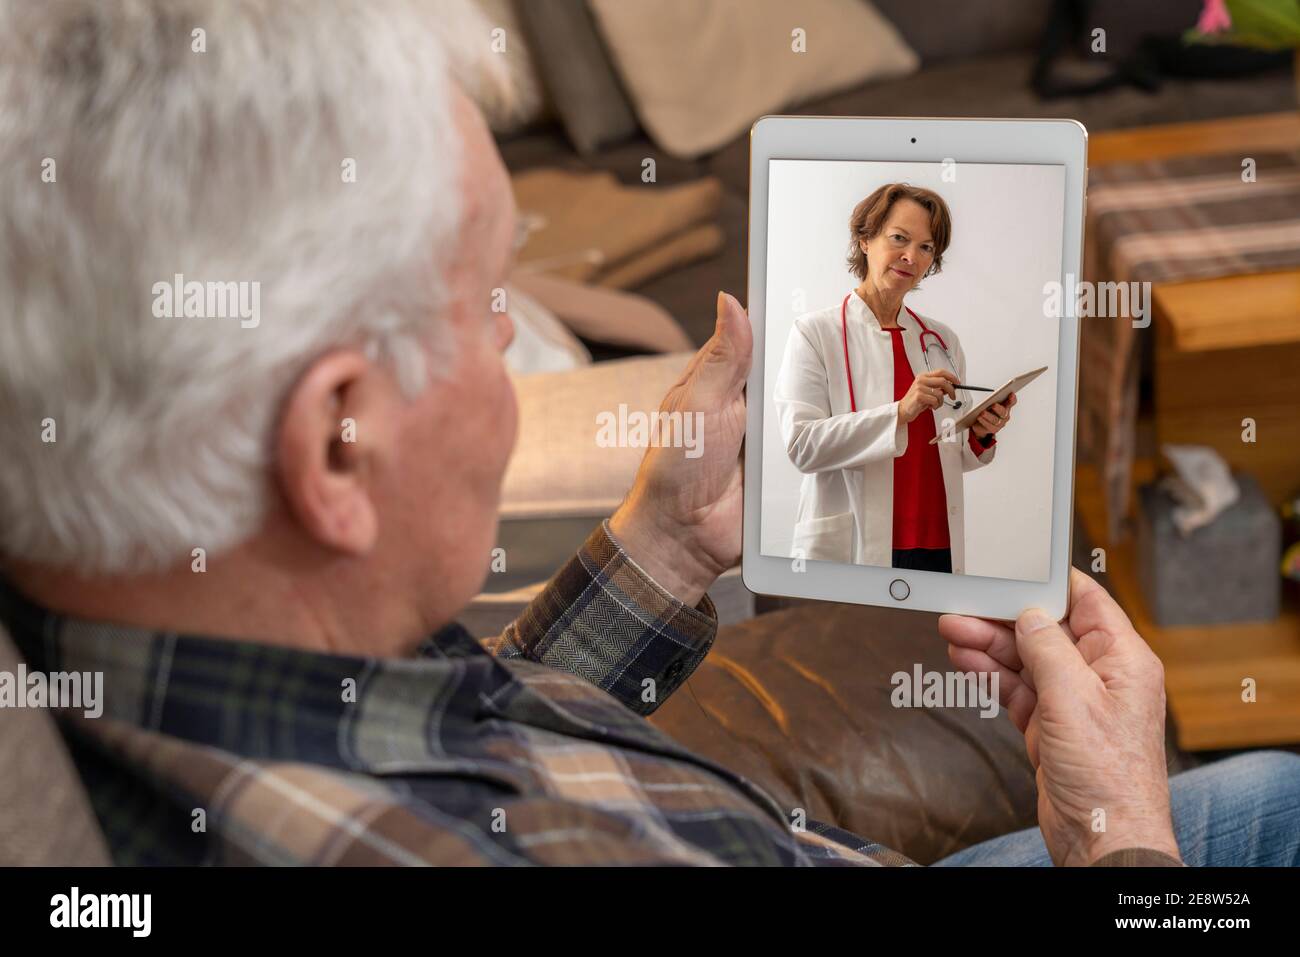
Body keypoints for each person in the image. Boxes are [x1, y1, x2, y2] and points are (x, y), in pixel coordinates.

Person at [0, 0, 1296, 867]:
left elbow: (455, 739)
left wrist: (664, 551)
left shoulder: (211, 649)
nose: (510, 338)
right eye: (486, 303)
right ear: (341, 444)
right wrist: (1124, 828)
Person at [773, 184, 1017, 574]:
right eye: (899, 238)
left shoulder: (941, 340)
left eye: (926, 247)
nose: (911, 256)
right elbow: (803, 446)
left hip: (938, 542)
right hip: (858, 543)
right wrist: (900, 411)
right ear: (865, 239)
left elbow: (949, 454)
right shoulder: (814, 333)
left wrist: (980, 433)